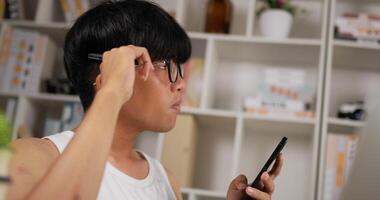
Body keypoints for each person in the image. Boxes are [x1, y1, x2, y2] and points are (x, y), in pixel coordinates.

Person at [6, 1, 284, 199]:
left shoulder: (165, 178)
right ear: (113, 66)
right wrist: (111, 92)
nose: (181, 83)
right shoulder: (32, 157)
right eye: (168, 65)